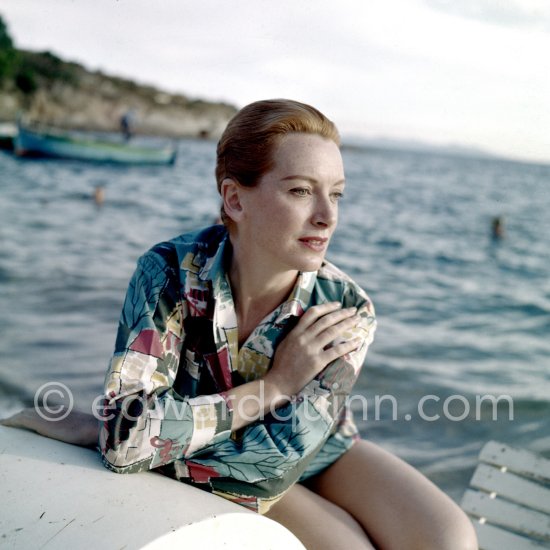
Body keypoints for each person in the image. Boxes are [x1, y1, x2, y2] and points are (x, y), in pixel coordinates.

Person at [1, 99, 477, 550]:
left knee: (450, 541)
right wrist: (274, 387)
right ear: (234, 199)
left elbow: (268, 467)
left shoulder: (346, 308)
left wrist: (116, 434)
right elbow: (129, 442)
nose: (327, 216)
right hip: (224, 448)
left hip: (316, 446)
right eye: (300, 190)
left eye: (336, 194)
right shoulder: (169, 272)